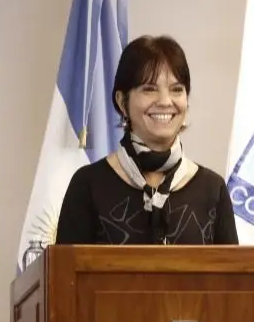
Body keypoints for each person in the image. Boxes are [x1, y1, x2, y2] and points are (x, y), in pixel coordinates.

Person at [53, 35, 240, 246]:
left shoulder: (213, 189)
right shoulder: (88, 185)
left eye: (177, 89)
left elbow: (233, 269)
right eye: (149, 89)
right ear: (122, 102)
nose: (165, 101)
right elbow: (66, 266)